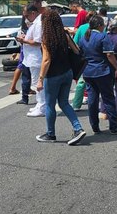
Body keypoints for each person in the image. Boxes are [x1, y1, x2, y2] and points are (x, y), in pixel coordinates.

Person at [34, 10, 87, 145]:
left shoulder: (46, 38)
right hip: (67, 73)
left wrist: (40, 79)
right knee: (63, 103)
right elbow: (76, 51)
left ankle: (51, 134)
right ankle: (78, 128)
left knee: (50, 105)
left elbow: (46, 60)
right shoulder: (64, 35)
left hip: (53, 76)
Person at [79, 15, 117, 134]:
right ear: (99, 25)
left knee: (92, 100)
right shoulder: (103, 36)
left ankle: (95, 126)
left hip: (88, 72)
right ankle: (113, 127)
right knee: (108, 98)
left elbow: (80, 54)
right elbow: (109, 55)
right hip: (102, 71)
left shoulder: (84, 38)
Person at [16, 4, 45, 117]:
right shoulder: (35, 23)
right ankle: (40, 104)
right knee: (36, 83)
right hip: (32, 58)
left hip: (36, 58)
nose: (26, 18)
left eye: (27, 15)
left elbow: (38, 41)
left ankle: (42, 106)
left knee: (38, 84)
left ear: (33, 13)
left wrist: (24, 40)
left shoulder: (38, 23)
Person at [69, 11, 96, 110]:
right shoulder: (101, 28)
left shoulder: (81, 28)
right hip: (98, 58)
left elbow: (75, 43)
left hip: (84, 58)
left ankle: (76, 105)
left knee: (81, 82)